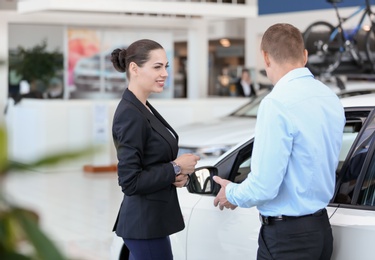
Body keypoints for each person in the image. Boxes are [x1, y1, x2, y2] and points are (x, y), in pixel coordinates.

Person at [213, 23, 345, 260]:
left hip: (287, 239)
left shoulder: (277, 103)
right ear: (304, 56)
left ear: (265, 57)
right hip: (321, 232)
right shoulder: (331, 98)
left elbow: (264, 186)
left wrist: (231, 192)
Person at [110, 39, 200, 260]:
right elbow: (130, 181)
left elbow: (150, 164)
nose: (165, 73)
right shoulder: (130, 114)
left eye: (166, 66)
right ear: (134, 68)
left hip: (152, 223)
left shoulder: (142, 106)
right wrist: (175, 167)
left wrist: (175, 174)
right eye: (157, 67)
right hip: (144, 225)